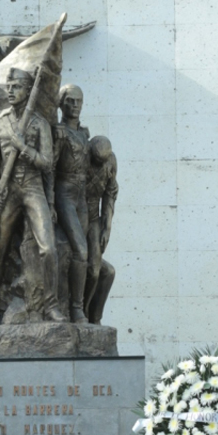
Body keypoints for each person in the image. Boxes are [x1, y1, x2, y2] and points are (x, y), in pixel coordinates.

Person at [0, 67, 67, 325]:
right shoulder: (0, 121)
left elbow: (47, 163)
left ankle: (51, 306)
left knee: (48, 248)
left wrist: (23, 147)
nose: (11, 91)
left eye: (17, 87)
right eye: (9, 87)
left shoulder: (39, 124)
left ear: (28, 91)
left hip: (33, 188)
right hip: (8, 190)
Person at [52, 84, 92, 323]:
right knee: (80, 250)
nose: (75, 106)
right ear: (61, 103)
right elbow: (50, 168)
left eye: (78, 101)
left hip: (82, 197)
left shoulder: (84, 133)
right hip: (64, 193)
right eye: (69, 101)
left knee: (80, 254)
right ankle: (76, 309)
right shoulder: (59, 132)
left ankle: (76, 305)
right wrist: (49, 202)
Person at [84, 135, 118, 324]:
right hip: (76, 213)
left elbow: (110, 193)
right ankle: (80, 314)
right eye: (96, 161)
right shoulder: (80, 157)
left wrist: (107, 227)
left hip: (94, 219)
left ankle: (93, 319)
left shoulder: (110, 161)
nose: (99, 165)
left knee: (102, 272)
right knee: (93, 270)